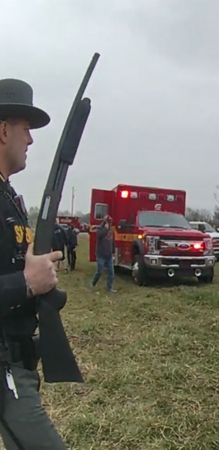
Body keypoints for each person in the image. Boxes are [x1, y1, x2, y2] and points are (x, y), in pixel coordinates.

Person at [0, 78, 68, 448]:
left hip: (18, 357)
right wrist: (26, 283)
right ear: (3, 130)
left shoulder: (9, 197)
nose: (30, 140)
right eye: (26, 130)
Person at [91, 214, 115, 293]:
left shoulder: (111, 230)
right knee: (99, 271)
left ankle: (109, 288)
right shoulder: (100, 230)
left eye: (110, 222)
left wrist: (113, 251)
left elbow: (112, 241)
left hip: (109, 255)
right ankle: (93, 284)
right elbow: (100, 236)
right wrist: (105, 229)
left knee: (111, 273)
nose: (110, 224)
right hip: (101, 255)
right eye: (109, 222)